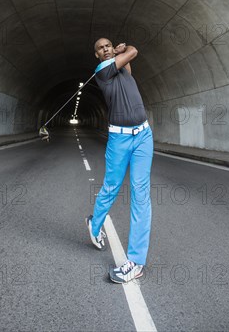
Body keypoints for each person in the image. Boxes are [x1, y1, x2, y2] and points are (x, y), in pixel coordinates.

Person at [85, 38, 154, 284]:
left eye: (108, 45)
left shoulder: (121, 67)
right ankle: (95, 223)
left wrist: (119, 55)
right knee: (111, 187)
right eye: (101, 48)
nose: (105, 49)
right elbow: (134, 51)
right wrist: (119, 51)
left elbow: (128, 67)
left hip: (143, 135)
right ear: (97, 55)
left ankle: (135, 262)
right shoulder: (102, 70)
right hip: (119, 138)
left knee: (141, 194)